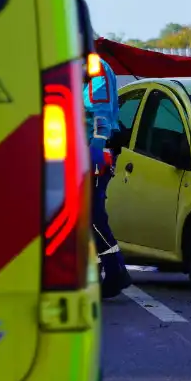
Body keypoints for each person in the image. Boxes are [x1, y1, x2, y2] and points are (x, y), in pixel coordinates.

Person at [84, 54, 133, 299]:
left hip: (95, 150)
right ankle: (100, 270)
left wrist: (98, 142)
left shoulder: (93, 65)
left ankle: (116, 271)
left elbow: (100, 109)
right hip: (79, 150)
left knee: (92, 215)